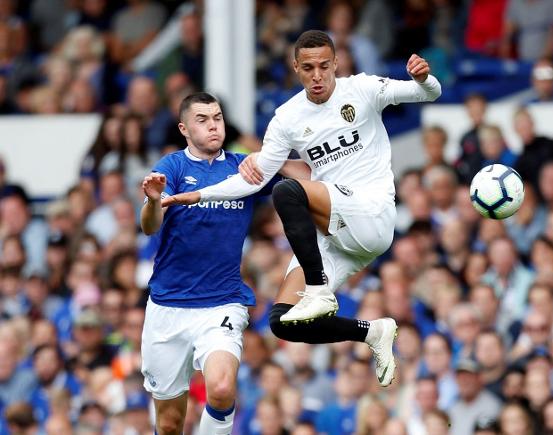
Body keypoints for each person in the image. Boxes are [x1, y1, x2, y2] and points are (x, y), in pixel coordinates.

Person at [161, 30, 442, 387]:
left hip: (372, 212)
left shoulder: (363, 88)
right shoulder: (288, 117)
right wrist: (198, 195)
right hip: (335, 228)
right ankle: (372, 332)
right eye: (308, 67)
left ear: (337, 63)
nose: (318, 75)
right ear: (296, 68)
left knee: (288, 192)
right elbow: (255, 178)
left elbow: (429, 93)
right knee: (284, 322)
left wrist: (423, 77)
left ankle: (318, 289)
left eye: (325, 66)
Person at [139, 91, 305, 435]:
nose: (213, 125)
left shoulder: (241, 167)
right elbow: (149, 225)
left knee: (221, 387)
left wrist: (267, 157)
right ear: (184, 129)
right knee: (169, 424)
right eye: (202, 120)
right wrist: (154, 201)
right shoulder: (172, 166)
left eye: (217, 118)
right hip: (168, 307)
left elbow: (304, 173)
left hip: (222, 302)